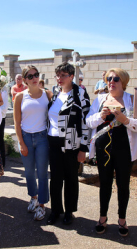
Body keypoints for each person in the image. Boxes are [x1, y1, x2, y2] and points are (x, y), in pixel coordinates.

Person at [86, 68, 137, 236]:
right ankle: (102, 218)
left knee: (123, 184)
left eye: (116, 79)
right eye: (109, 78)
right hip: (102, 148)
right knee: (104, 183)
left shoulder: (131, 100)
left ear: (124, 82)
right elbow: (89, 122)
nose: (111, 81)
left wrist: (125, 119)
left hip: (124, 149)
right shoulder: (100, 99)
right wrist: (100, 116)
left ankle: (122, 219)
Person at [47, 62, 90, 225]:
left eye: (63, 75)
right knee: (55, 178)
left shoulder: (80, 94)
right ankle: (56, 210)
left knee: (71, 178)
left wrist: (83, 149)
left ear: (72, 76)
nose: (59, 78)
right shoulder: (55, 92)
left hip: (71, 143)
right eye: (58, 75)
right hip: (53, 141)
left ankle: (69, 211)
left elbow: (85, 122)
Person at [14, 65, 53, 221]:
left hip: (43, 138)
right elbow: (17, 123)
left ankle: (42, 205)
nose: (34, 78)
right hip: (26, 138)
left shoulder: (48, 95)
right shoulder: (20, 97)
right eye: (30, 76)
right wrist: (21, 143)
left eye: (35, 75)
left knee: (43, 173)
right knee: (29, 172)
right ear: (24, 80)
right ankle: (33, 197)